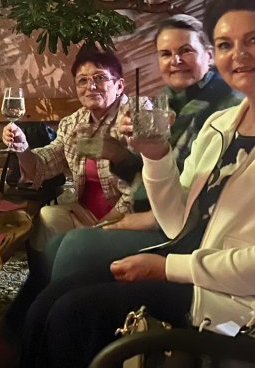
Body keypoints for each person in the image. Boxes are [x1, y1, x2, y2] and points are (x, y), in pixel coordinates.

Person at [19, 0, 255, 368]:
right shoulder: (223, 124)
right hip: (212, 275)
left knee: (75, 312)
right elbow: (176, 221)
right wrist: (156, 155)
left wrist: (169, 268)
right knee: (49, 301)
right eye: (226, 44)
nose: (239, 55)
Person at [47, 14, 243, 283]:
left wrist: (145, 218)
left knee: (75, 246)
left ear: (209, 55)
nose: (175, 60)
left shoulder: (226, 106)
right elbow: (150, 172)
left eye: (186, 51)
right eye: (166, 54)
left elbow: (211, 189)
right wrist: (124, 153)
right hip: (154, 211)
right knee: (55, 246)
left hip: (187, 232)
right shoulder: (166, 100)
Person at [1, 44, 135, 251]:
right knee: (48, 217)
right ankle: (50, 269)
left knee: (77, 246)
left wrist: (98, 231)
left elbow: (137, 191)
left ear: (119, 86)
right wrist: (22, 147)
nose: (91, 86)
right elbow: (42, 166)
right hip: (86, 214)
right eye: (82, 80)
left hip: (128, 219)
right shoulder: (73, 123)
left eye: (100, 78)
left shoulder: (135, 119)